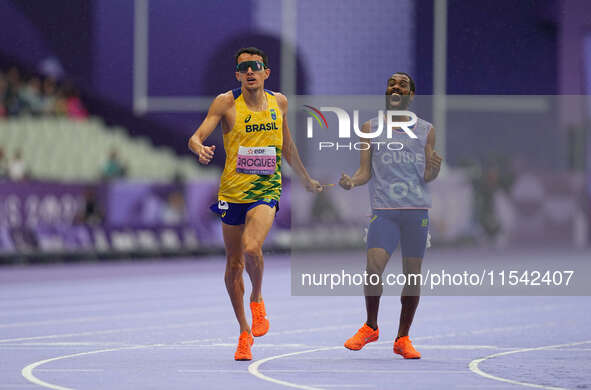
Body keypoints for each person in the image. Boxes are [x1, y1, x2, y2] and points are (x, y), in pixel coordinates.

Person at [188, 47, 323, 361]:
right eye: (244, 68)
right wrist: (198, 147)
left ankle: (258, 298)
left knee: (251, 248)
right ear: (237, 74)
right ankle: (244, 333)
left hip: (266, 189)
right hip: (233, 193)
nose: (250, 72)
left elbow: (286, 143)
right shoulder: (225, 102)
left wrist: (304, 176)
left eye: (256, 67)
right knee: (233, 266)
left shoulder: (279, 102)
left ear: (266, 73)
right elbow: (197, 135)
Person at [339, 72, 442, 359]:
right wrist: (352, 182)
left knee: (412, 275)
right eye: (391, 84)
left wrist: (434, 169)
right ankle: (371, 326)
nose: (396, 87)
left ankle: (403, 338)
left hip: (415, 212)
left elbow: (427, 175)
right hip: (383, 212)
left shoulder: (426, 130)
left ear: (411, 95)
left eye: (403, 84)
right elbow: (364, 172)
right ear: (387, 92)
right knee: (373, 268)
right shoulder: (370, 127)